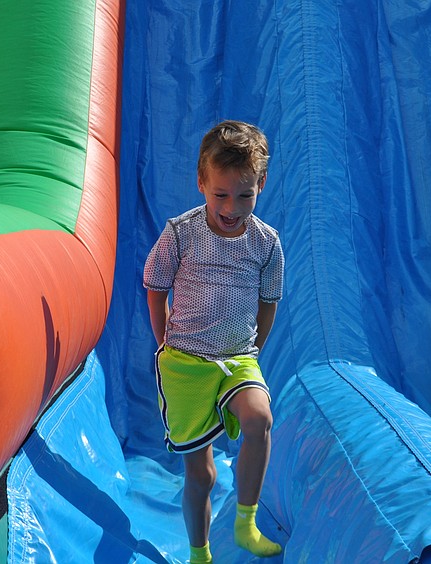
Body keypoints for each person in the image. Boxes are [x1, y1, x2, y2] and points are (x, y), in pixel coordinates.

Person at [143, 120, 284, 563]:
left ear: (261, 184)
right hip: (185, 363)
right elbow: (155, 282)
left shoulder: (266, 243)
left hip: (237, 357)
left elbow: (269, 299)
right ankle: (199, 552)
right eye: (220, 194)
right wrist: (162, 335)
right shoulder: (182, 233)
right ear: (201, 182)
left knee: (260, 418)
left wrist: (253, 345)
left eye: (245, 195)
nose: (231, 206)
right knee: (200, 475)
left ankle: (245, 522)